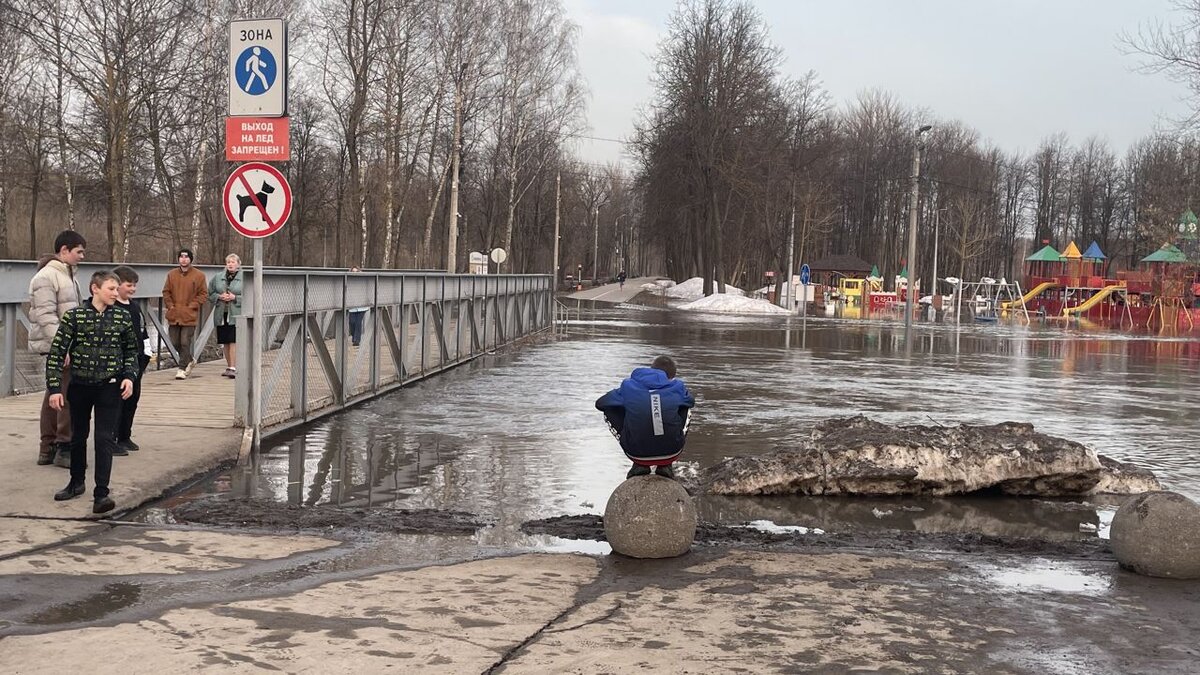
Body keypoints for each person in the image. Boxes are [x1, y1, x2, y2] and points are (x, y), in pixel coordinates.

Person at [46, 271, 139, 514]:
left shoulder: (122, 316)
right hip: (80, 385)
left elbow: (132, 351)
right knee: (78, 436)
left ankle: (102, 494)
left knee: (104, 438)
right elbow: (56, 353)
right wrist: (55, 388)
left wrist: (129, 377)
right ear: (94, 288)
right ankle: (76, 482)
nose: (115, 293)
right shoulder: (75, 316)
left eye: (117, 288)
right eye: (110, 288)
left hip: (110, 385)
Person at [28, 229, 86, 467]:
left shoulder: (67, 275)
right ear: (64, 250)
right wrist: (63, 347)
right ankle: (64, 446)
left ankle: (48, 447)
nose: (82, 256)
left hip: (64, 343)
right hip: (60, 345)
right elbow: (46, 315)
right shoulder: (47, 276)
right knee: (67, 393)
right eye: (79, 252)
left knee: (54, 392)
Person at [596, 355, 695, 480]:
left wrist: (631, 402)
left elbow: (601, 403)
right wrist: (660, 401)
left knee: (610, 409)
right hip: (671, 452)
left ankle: (639, 465)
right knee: (685, 407)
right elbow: (691, 401)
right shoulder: (677, 386)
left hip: (636, 453)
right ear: (671, 377)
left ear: (651, 369)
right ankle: (665, 465)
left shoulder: (628, 386)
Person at [113, 266, 151, 455]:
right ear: (117, 285)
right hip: (118, 364)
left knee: (133, 399)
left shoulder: (135, 308)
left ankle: (125, 436)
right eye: (129, 285)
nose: (133, 289)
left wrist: (146, 355)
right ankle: (112, 439)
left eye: (134, 285)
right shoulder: (112, 308)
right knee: (117, 401)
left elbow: (143, 332)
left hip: (136, 362)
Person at [162, 248, 208, 379]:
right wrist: (170, 306)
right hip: (174, 314)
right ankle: (189, 360)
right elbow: (166, 292)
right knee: (174, 342)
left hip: (189, 315)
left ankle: (181, 369)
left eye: (186, 257)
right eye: (181, 256)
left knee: (184, 342)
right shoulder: (171, 274)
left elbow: (203, 294)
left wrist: (192, 305)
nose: (183, 259)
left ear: (190, 259)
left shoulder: (199, 275)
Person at [209, 254, 244, 378]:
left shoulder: (244, 277)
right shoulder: (218, 277)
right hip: (221, 312)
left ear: (238, 264)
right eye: (228, 262)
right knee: (225, 340)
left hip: (236, 314)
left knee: (233, 339)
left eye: (233, 262)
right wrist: (219, 297)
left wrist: (235, 298)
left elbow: (252, 295)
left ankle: (233, 367)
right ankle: (229, 366)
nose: (230, 264)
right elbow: (209, 293)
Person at [348, 266, 368, 347]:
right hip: (352, 306)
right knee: (352, 322)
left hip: (362, 306)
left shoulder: (363, 281)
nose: (355, 274)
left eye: (356, 272)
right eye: (353, 272)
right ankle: (354, 336)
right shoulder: (348, 281)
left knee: (358, 322)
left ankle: (357, 340)